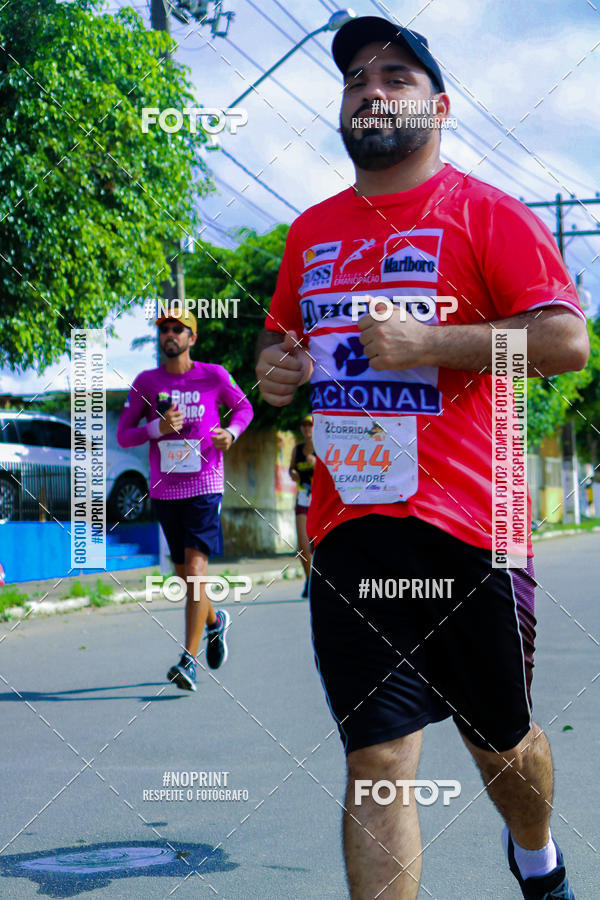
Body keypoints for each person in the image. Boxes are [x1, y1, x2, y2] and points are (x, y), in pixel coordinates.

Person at [255, 15, 589, 900]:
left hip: (473, 527)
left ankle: (536, 855)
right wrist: (276, 367)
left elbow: (563, 343)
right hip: (351, 530)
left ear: (438, 108)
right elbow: (281, 341)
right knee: (377, 760)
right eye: (356, 79)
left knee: (499, 744)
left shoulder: (488, 214)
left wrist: (432, 343)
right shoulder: (310, 233)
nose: (371, 90)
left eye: (396, 77)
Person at [118, 307, 253, 691]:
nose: (170, 335)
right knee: (184, 574)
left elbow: (244, 407)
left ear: (192, 338)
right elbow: (124, 435)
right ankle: (215, 622)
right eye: (164, 329)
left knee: (195, 571)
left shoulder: (214, 375)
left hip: (205, 485)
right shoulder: (146, 382)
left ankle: (187, 661)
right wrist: (156, 428)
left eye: (178, 329)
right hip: (165, 489)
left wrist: (231, 432)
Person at [289, 414, 316, 596]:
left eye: (310, 425)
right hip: (302, 499)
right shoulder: (297, 449)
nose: (307, 428)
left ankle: (321, 581)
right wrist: (293, 473)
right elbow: (291, 468)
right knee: (303, 546)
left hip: (319, 500)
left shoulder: (322, 447)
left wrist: (317, 464)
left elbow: (332, 469)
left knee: (319, 545)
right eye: (304, 425)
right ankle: (309, 580)